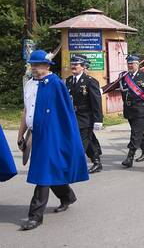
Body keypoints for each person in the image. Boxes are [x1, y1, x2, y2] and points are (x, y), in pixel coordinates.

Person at [17, 50, 88, 230]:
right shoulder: (29, 84)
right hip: (35, 133)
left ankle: (35, 216)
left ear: (47, 66)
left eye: (38, 65)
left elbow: (65, 113)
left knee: (42, 172)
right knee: (49, 169)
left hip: (52, 135)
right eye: (32, 65)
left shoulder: (56, 84)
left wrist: (66, 136)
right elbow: (26, 111)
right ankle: (67, 196)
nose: (34, 68)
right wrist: (21, 135)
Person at [66, 55, 103, 174]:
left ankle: (74, 167)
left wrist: (98, 120)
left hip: (86, 117)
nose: (73, 67)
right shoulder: (69, 80)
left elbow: (96, 102)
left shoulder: (90, 81)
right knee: (89, 140)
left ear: (83, 67)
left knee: (80, 143)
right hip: (73, 116)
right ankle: (97, 162)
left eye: (76, 65)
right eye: (72, 64)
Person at [119, 55, 144, 167]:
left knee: (135, 133)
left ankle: (129, 157)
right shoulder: (124, 77)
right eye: (129, 63)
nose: (130, 65)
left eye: (132, 63)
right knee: (138, 133)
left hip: (141, 110)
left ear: (138, 64)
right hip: (129, 109)